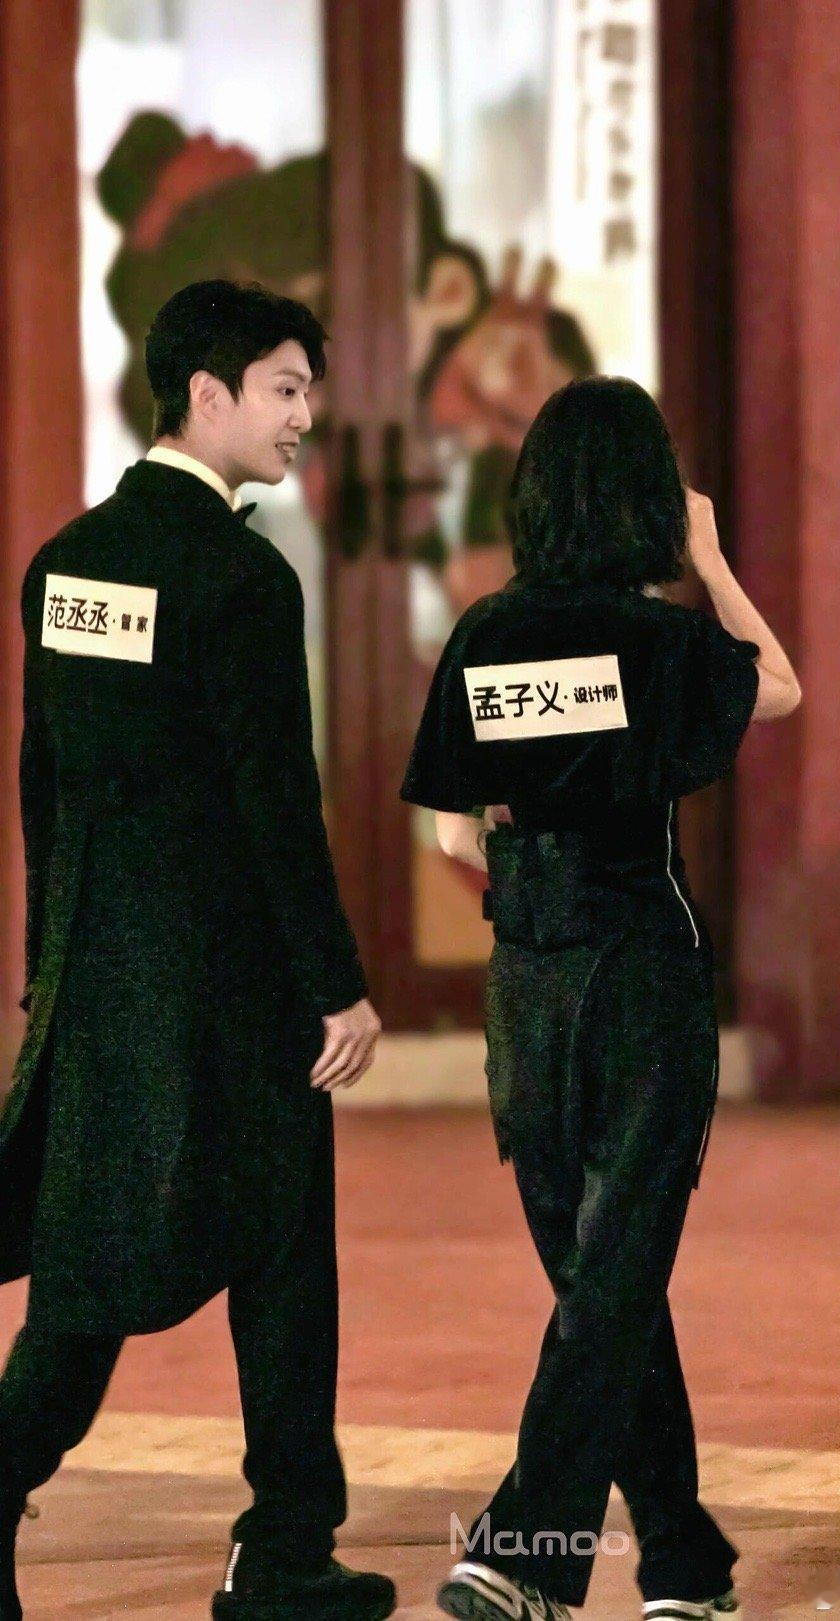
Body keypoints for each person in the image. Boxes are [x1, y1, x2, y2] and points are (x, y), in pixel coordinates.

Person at [0, 280, 392, 1621]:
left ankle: (284, 1536)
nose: (304, 418)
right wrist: (337, 984)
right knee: (273, 1266)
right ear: (207, 394)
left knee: (91, 1272)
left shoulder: (63, 566)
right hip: (234, 997)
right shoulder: (240, 579)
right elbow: (277, 804)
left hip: (103, 984)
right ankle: (282, 1547)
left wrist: (49, 967)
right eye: (284, 389)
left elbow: (44, 787)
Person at [400, 377, 801, 1621]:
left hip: (526, 987)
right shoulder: (663, 641)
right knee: (613, 1284)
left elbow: (447, 832)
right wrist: (712, 560)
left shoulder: (483, 633)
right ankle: (529, 1556)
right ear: (648, 501)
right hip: (641, 980)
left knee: (600, 1280)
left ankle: (682, 1568)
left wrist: (526, 851)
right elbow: (777, 686)